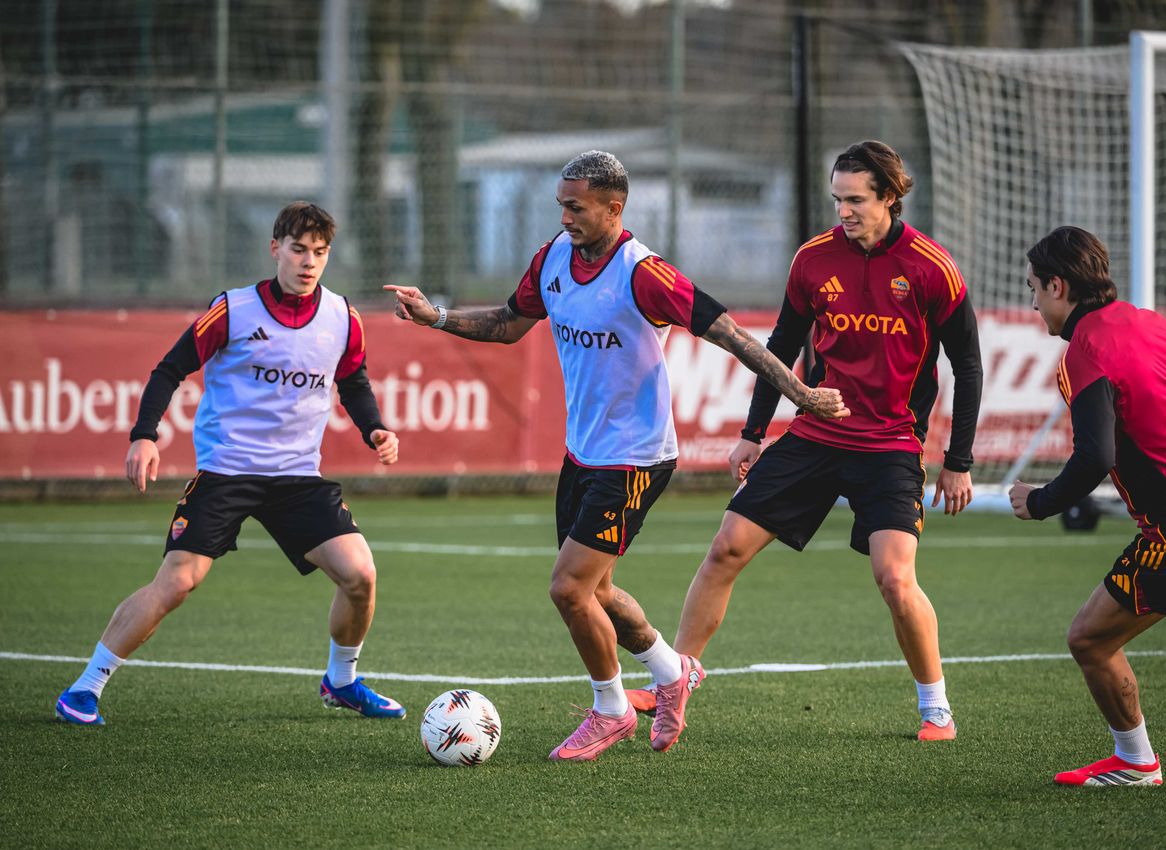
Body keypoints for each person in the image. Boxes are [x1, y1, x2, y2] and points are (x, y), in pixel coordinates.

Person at [386, 150, 847, 761]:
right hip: (583, 454)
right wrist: (437, 317)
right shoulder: (552, 259)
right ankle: (670, 671)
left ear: (614, 207)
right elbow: (507, 323)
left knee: (567, 589)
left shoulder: (644, 273)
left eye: (575, 208)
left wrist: (802, 395)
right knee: (598, 591)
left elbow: (733, 336)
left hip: (635, 458)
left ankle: (610, 711)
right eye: (561, 206)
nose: (565, 217)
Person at [635, 140, 983, 743]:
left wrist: (958, 462)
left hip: (892, 444)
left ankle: (936, 707)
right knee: (725, 549)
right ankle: (677, 678)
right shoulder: (813, 259)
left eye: (855, 200)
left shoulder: (932, 267)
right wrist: (752, 434)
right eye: (837, 199)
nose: (843, 211)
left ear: (890, 199)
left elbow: (969, 366)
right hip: (815, 435)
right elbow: (782, 346)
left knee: (895, 579)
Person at [55, 202, 406, 726]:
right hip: (228, 471)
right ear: (275, 248)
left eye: (320, 253)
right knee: (177, 582)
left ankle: (342, 682)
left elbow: (351, 380)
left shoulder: (342, 317)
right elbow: (169, 369)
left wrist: (373, 426)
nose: (309, 262)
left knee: (360, 574)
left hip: (297, 478)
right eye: (298, 249)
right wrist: (144, 436)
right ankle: (84, 688)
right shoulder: (235, 309)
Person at [1009, 226, 1166, 787]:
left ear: (1058, 286)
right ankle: (1134, 762)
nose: (1031, 303)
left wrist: (1041, 501)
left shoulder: (1085, 351)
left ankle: (1136, 762)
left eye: (1033, 288)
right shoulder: (1150, 322)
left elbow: (1095, 454)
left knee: (1089, 639)